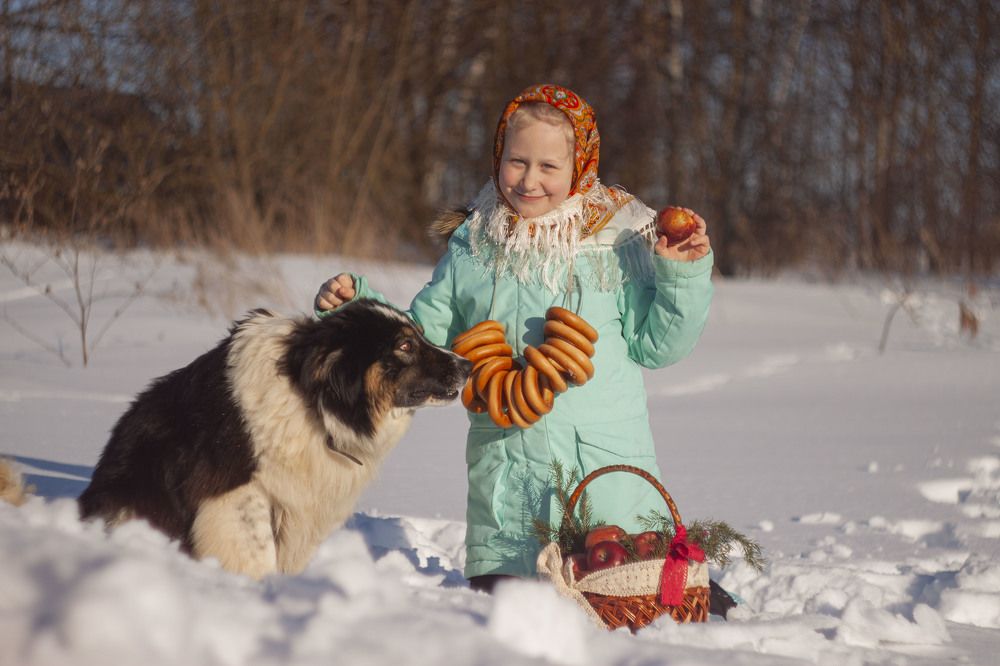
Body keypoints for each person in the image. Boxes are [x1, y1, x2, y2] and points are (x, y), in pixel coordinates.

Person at [315, 84, 713, 594]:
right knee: (507, 618)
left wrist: (681, 276)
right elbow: (421, 335)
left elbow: (658, 346)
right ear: (498, 156)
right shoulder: (473, 247)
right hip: (508, 501)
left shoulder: (615, 244)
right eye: (517, 161)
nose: (528, 180)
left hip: (606, 490)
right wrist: (356, 306)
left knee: (624, 609)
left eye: (548, 166)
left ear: (580, 167)